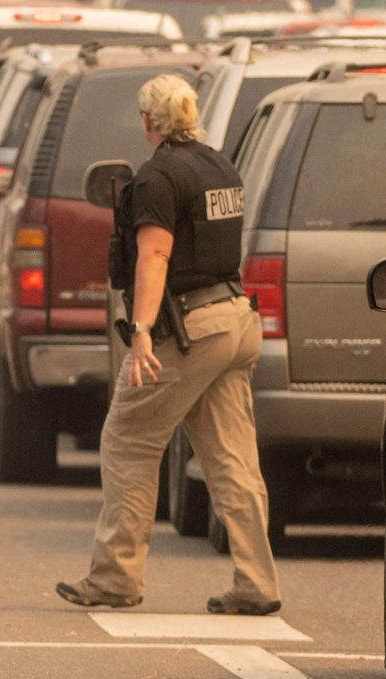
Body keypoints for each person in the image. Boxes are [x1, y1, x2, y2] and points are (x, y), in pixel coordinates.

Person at [56, 73, 282, 616]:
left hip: (189, 328)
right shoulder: (218, 164)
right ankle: (257, 583)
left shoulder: (157, 178)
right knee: (232, 459)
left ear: (147, 121)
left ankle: (115, 579)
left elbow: (154, 257)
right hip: (234, 320)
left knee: (128, 440)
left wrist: (139, 332)